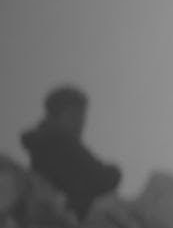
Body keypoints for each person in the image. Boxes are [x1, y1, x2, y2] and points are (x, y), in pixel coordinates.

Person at [20, 84, 121, 219]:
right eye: (75, 116)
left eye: (82, 117)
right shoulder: (60, 142)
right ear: (57, 116)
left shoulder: (44, 142)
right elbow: (102, 177)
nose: (81, 123)